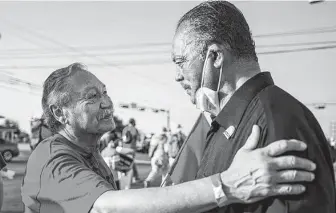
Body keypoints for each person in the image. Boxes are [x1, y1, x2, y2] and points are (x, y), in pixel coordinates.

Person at [21, 63, 317, 213]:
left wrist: (162, 181)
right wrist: (227, 186)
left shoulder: (87, 151)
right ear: (60, 113)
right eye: (92, 96)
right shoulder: (53, 157)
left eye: (105, 91)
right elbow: (107, 206)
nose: (107, 102)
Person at [170, 1, 335, 212]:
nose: (177, 75)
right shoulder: (225, 120)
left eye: (181, 61)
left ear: (215, 56)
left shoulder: (279, 120)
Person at [122, 118, 140, 183]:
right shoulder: (135, 129)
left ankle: (129, 176)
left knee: (126, 162)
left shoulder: (124, 129)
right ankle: (135, 178)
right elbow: (138, 139)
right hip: (131, 148)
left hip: (124, 148)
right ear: (133, 123)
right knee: (131, 163)